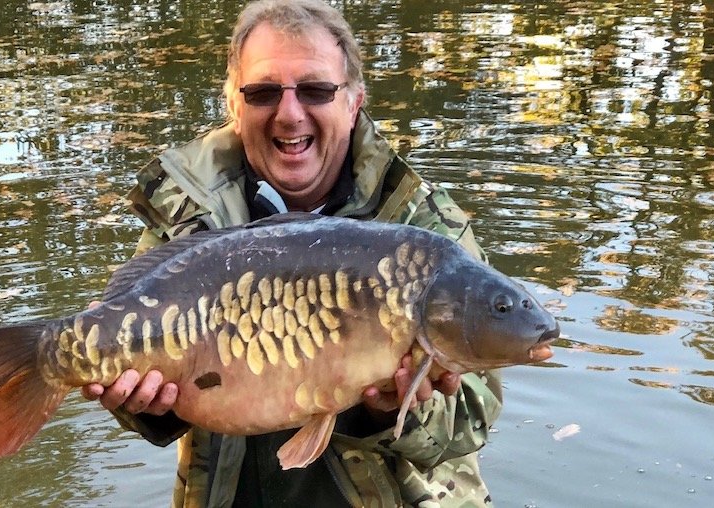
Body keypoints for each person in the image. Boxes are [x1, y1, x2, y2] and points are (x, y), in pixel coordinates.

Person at [81, 0, 502, 506]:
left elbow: (475, 417)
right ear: (234, 108)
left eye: (315, 89)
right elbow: (147, 389)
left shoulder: (422, 234)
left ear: (354, 102)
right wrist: (142, 404)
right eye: (262, 92)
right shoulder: (188, 216)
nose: (289, 113)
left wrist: (391, 411)